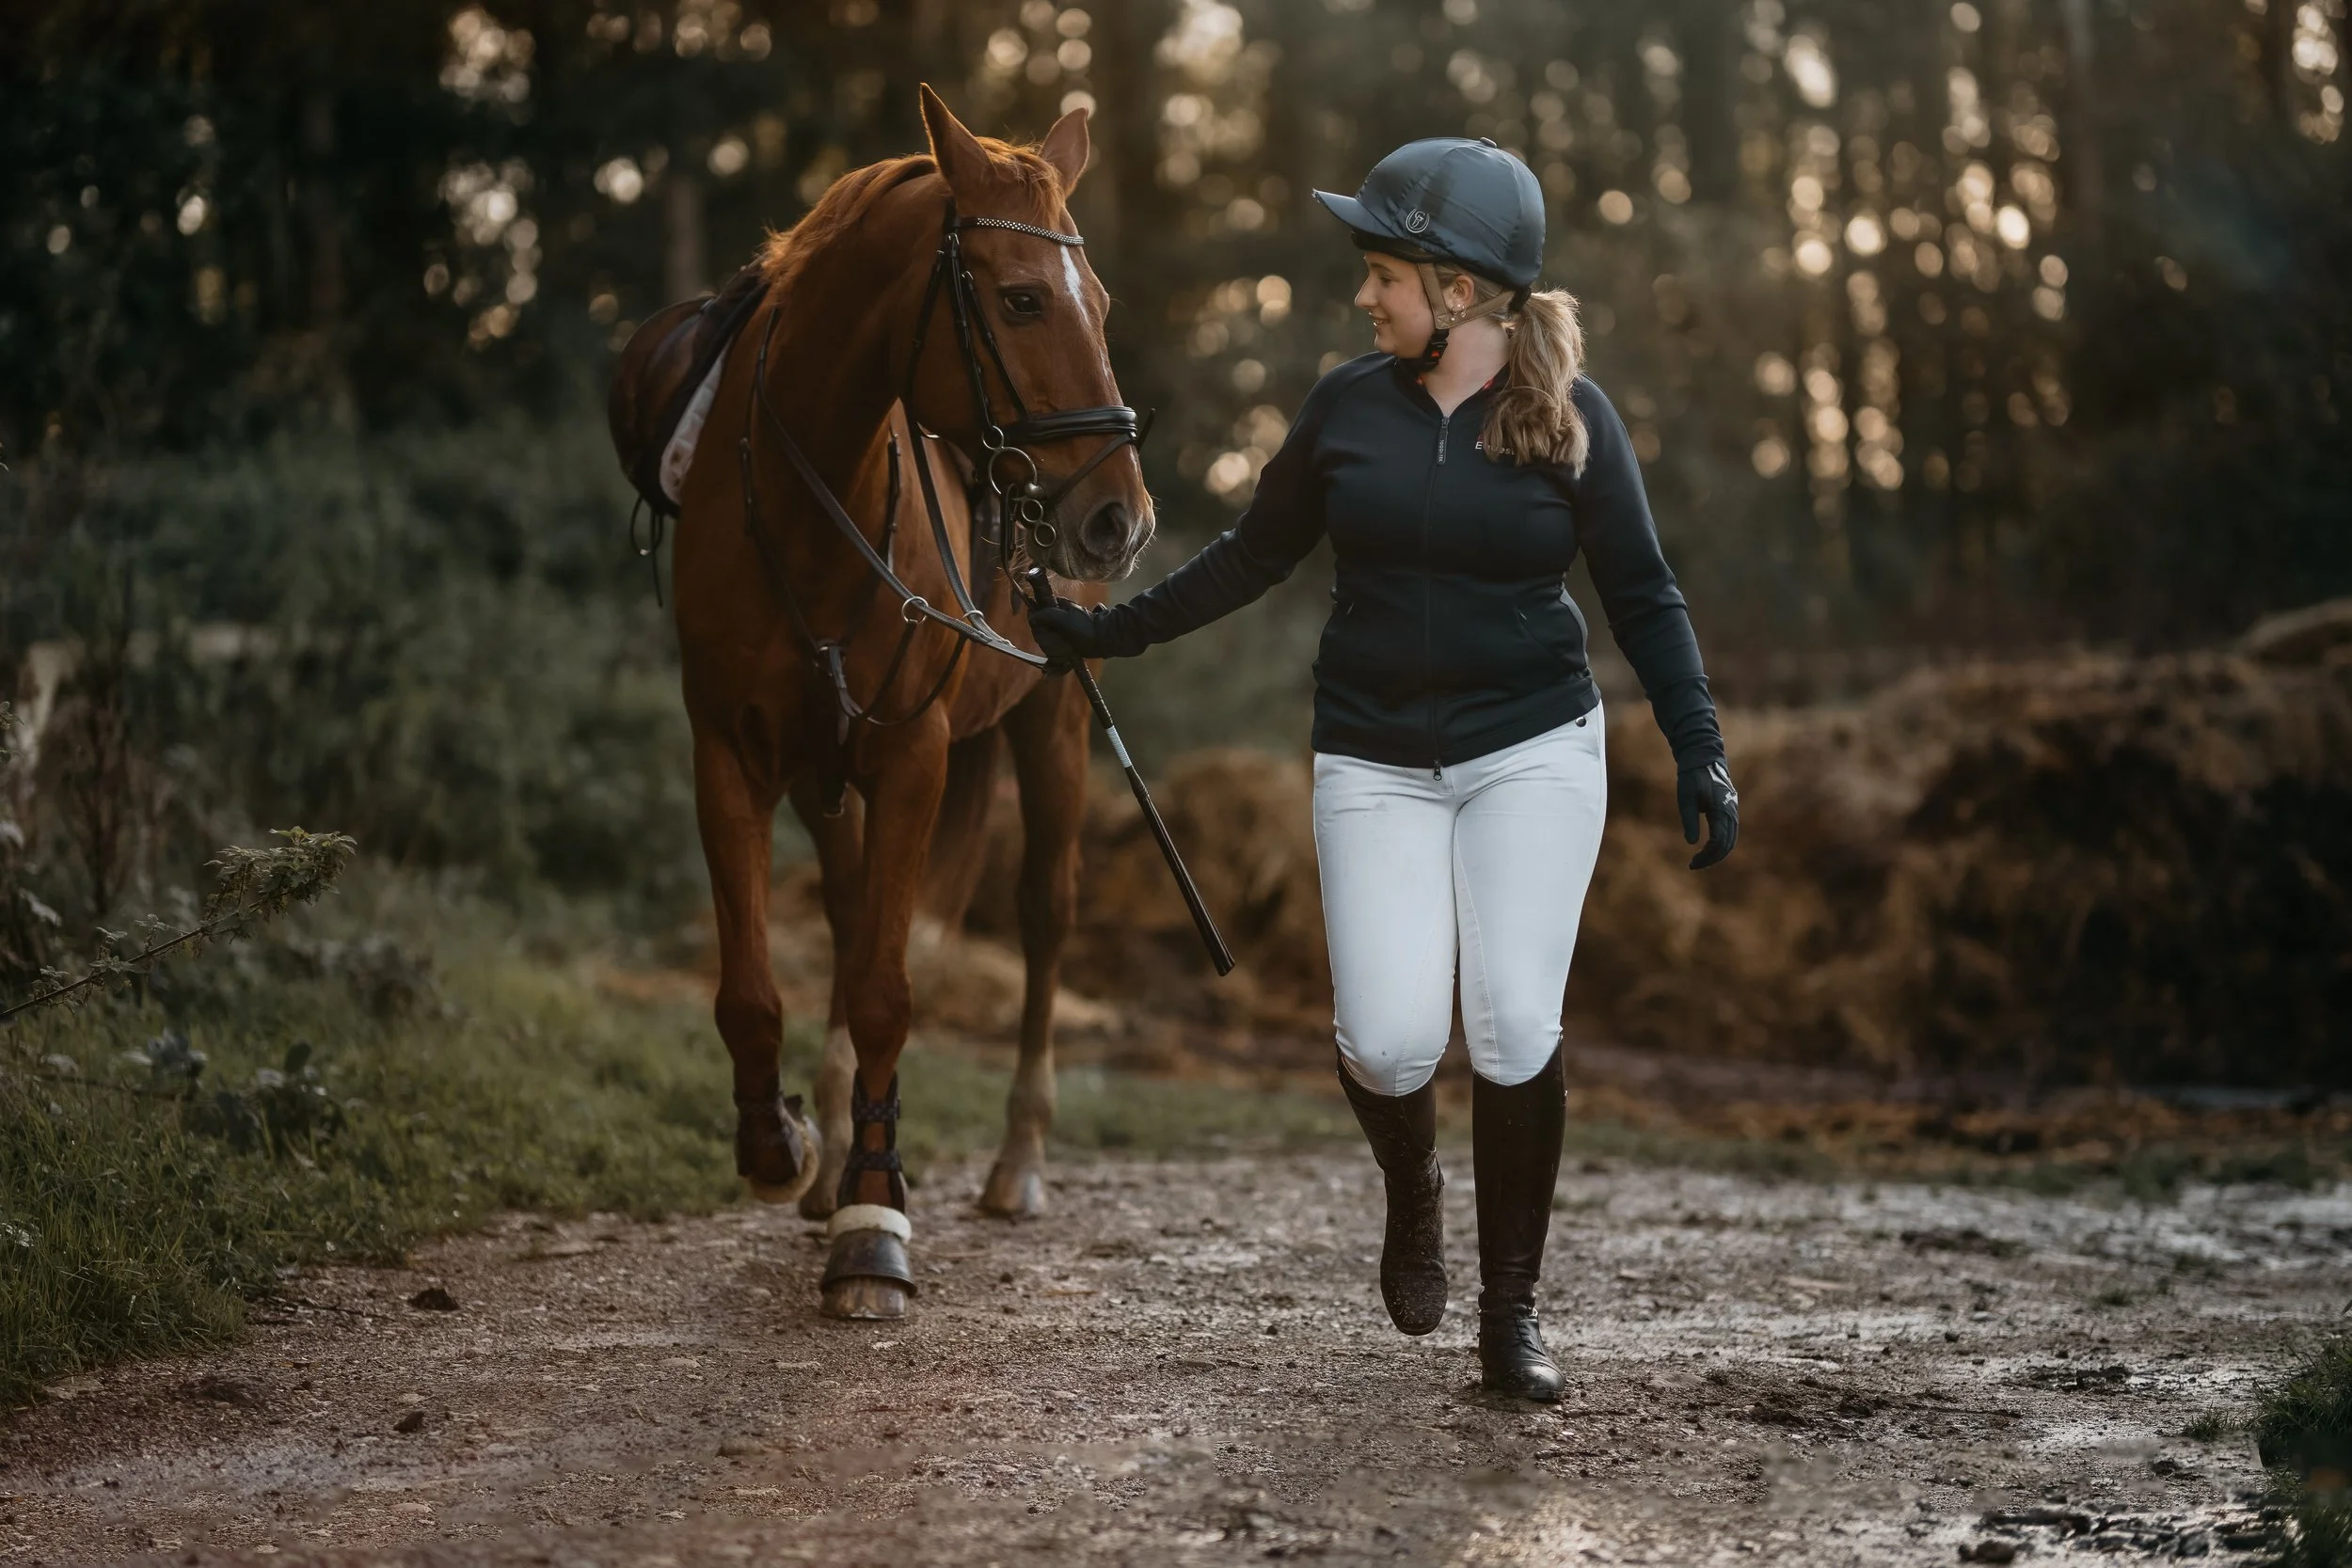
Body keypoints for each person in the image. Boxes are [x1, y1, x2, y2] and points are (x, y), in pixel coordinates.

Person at [1029, 137, 1740, 1402]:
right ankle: (1414, 1188)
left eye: (1385, 275)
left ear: (1458, 291)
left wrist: (1701, 748)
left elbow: (1644, 594)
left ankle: (1510, 1313)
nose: (1365, 295)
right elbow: (1251, 555)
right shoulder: (1346, 407)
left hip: (1534, 751)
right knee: (1388, 1038)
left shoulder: (1575, 419)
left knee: (1514, 1022)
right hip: (1373, 757)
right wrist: (1107, 630)